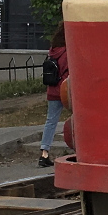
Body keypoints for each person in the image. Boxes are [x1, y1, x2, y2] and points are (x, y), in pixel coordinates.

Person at [40, 26, 68, 168]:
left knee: (50, 121)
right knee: (81, 118)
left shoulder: (53, 50)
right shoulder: (68, 51)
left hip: (52, 89)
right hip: (67, 90)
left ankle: (44, 153)